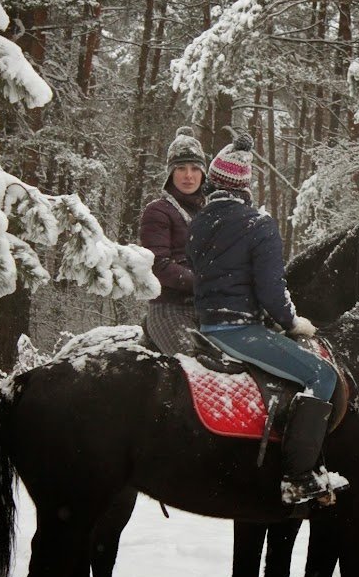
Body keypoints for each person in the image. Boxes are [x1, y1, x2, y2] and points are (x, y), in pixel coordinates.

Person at [187, 134, 346, 505]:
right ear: (244, 186)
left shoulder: (198, 223)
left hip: (207, 326)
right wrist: (292, 322)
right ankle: (298, 477)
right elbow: (272, 291)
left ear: (214, 182)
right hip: (240, 330)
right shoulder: (257, 223)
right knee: (321, 374)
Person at [139, 126, 208, 355]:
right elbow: (158, 264)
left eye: (194, 168)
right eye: (181, 168)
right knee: (196, 367)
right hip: (169, 309)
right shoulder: (158, 211)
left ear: (203, 174)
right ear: (171, 173)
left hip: (208, 309)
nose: (188, 175)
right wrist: (204, 283)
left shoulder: (210, 213)